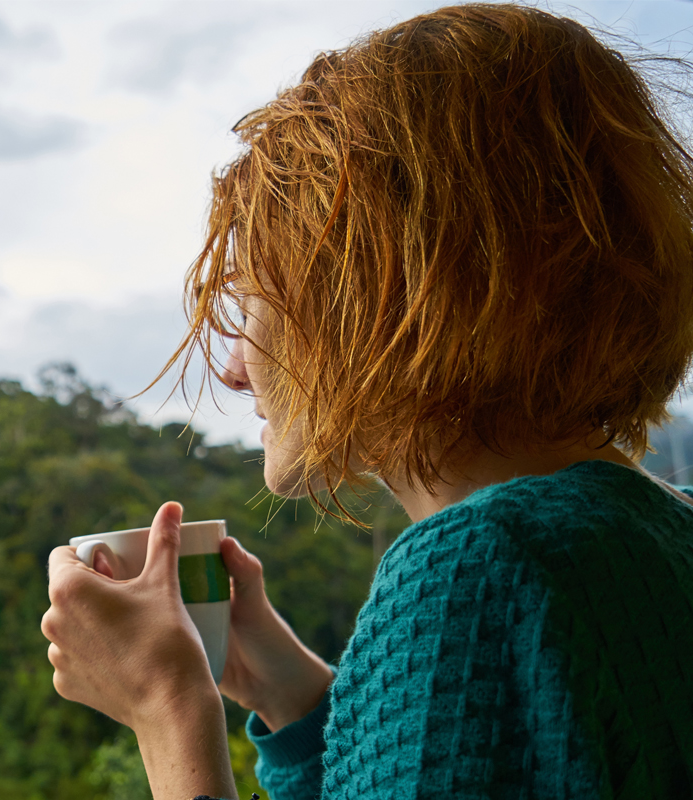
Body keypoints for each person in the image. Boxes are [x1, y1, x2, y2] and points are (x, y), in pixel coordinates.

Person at [40, 5, 693, 799]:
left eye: (249, 308)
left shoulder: (475, 568)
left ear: (371, 301)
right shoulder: (663, 532)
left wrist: (167, 708)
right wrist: (289, 693)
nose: (236, 373)